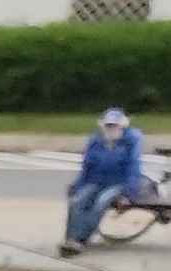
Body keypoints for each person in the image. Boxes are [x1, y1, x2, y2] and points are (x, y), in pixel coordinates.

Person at [63, 105, 150, 253]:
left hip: (119, 184)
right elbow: (87, 167)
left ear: (123, 125)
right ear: (103, 125)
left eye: (115, 125)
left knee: (101, 202)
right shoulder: (95, 141)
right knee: (77, 201)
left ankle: (81, 240)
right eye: (108, 125)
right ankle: (70, 239)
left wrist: (128, 194)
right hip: (96, 181)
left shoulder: (131, 141)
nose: (111, 128)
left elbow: (133, 168)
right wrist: (77, 186)